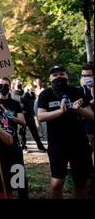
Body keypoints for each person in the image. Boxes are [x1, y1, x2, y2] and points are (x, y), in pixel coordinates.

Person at [37, 65, 94, 199]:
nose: (59, 77)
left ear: (67, 76)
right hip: (57, 145)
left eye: (62, 74)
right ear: (50, 78)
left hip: (79, 144)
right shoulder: (45, 94)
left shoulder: (77, 92)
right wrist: (61, 111)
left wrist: (78, 109)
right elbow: (40, 116)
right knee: (57, 184)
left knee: (80, 183)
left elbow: (91, 116)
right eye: (55, 75)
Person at [0, 77, 28, 199]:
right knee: (2, 177)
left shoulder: (14, 103)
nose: (3, 87)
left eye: (5, 85)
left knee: (19, 177)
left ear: (9, 87)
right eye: (0, 85)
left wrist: (9, 115)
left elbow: (23, 122)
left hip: (13, 144)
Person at [11, 78, 46, 151]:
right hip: (21, 116)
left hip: (29, 114)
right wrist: (26, 92)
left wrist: (31, 92)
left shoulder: (23, 92)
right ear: (14, 85)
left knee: (34, 131)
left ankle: (40, 146)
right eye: (18, 83)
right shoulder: (13, 93)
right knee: (22, 133)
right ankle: (23, 146)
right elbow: (21, 99)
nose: (20, 84)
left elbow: (32, 98)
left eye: (20, 82)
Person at [79, 62, 94, 198]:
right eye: (84, 75)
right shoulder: (80, 91)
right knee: (87, 159)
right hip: (87, 128)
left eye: (89, 75)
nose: (86, 78)